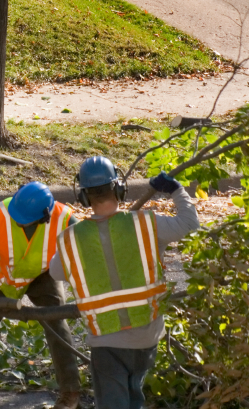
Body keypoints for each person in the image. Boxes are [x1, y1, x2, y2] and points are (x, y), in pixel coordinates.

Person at [50, 157, 200, 409]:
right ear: (119, 189)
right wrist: (176, 190)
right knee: (134, 399)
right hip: (147, 335)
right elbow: (189, 223)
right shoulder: (146, 224)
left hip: (106, 340)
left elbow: (56, 273)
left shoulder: (70, 239)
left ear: (84, 197)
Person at [0, 182, 83, 409]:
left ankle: (70, 390)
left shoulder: (65, 220)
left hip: (43, 274)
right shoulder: (0, 216)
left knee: (56, 322)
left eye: (24, 218)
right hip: (1, 275)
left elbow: (88, 252)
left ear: (44, 215)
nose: (18, 220)